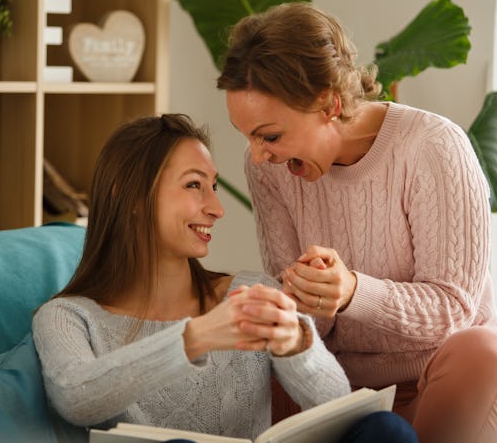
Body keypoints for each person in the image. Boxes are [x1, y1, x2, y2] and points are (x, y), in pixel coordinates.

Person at [216, 1, 497, 443]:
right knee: (259, 363)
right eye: (247, 136)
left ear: (328, 104)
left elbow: (454, 311)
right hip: (340, 393)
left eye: (270, 136)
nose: (257, 155)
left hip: (447, 383)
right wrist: (298, 298)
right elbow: (306, 325)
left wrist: (351, 291)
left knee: (482, 352)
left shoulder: (433, 147)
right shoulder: (270, 170)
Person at [33, 113, 417, 442]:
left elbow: (337, 406)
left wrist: (297, 346)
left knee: (385, 430)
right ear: (130, 196)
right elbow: (76, 399)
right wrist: (197, 337)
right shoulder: (68, 317)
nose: (216, 208)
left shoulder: (252, 293)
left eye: (213, 187)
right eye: (193, 185)